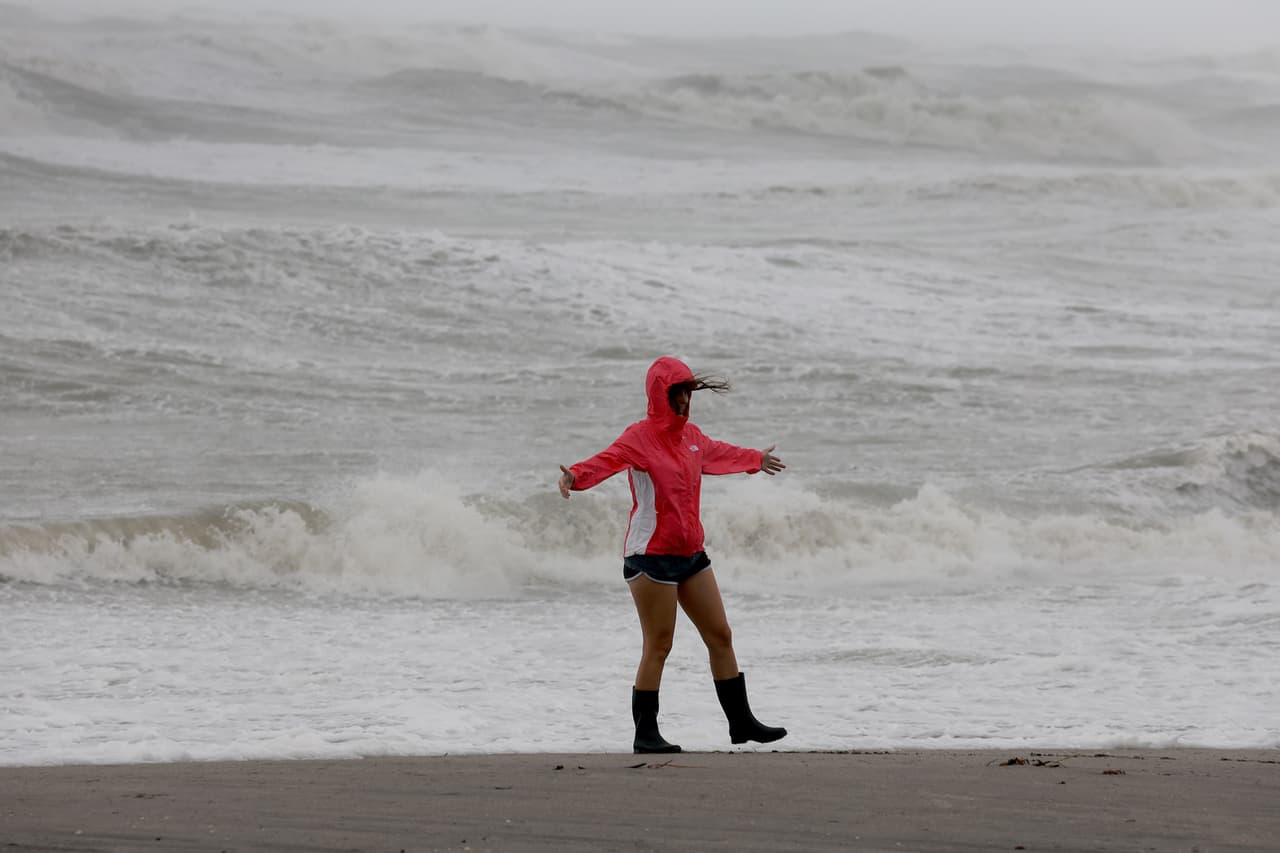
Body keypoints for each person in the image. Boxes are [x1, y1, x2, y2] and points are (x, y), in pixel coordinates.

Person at [557, 355, 788, 753]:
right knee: (659, 645)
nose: (685, 401)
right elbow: (606, 461)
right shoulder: (639, 438)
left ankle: (741, 722)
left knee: (721, 634)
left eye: (688, 393)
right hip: (650, 557)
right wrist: (574, 476)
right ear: (660, 395)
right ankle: (645, 734)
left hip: (690, 553)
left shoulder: (693, 437)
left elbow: (720, 453)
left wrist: (755, 459)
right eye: (678, 393)